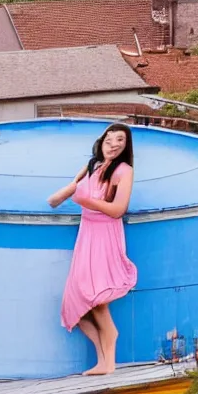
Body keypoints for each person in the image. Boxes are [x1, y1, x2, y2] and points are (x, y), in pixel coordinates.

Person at [47, 123, 138, 376]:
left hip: (105, 236)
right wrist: (68, 192)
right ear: (101, 142)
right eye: (110, 140)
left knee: (97, 299)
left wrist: (87, 201)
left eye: (120, 141)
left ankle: (108, 361)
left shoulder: (124, 171)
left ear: (125, 146)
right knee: (75, 304)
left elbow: (118, 210)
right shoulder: (92, 165)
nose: (114, 145)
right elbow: (56, 199)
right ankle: (102, 358)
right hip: (87, 235)